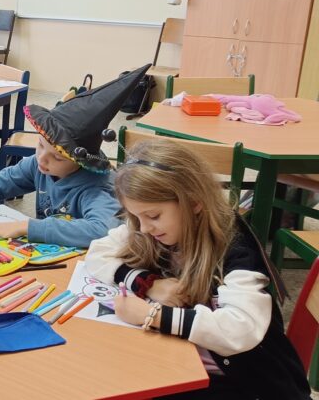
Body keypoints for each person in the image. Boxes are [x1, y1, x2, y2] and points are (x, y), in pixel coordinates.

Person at [85, 138, 309, 399]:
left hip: (250, 383)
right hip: (186, 364)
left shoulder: (235, 247)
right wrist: (148, 283)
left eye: (153, 216)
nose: (144, 228)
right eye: (136, 217)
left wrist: (152, 315)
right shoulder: (158, 228)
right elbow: (97, 253)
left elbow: (240, 329)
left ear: (193, 202)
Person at [0, 65, 152, 248]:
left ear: (80, 161)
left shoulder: (95, 187)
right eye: (40, 145)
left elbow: (104, 230)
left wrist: (27, 227)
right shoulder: (38, 165)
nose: (42, 158)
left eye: (57, 158)